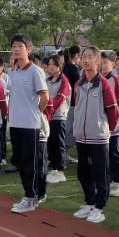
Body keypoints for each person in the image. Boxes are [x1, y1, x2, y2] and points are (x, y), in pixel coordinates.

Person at [72, 46, 119, 223]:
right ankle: (89, 202)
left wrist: (109, 131)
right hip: (81, 137)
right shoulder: (78, 84)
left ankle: (99, 207)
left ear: (98, 62)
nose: (86, 60)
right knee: (83, 172)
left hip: (98, 137)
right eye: (83, 57)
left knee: (101, 173)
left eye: (90, 57)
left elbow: (113, 111)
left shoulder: (104, 84)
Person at [7, 34, 49, 213]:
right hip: (15, 123)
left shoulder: (35, 71)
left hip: (30, 125)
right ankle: (30, 194)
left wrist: (35, 113)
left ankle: (31, 197)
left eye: (20, 46)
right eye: (14, 46)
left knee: (30, 163)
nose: (16, 49)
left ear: (29, 50)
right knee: (21, 162)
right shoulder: (13, 73)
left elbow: (45, 96)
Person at [101, 51, 119, 197]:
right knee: (103, 155)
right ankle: (107, 180)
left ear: (113, 64)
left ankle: (117, 183)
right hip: (102, 125)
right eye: (101, 62)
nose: (103, 65)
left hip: (116, 124)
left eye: (106, 62)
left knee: (114, 153)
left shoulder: (116, 81)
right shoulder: (96, 80)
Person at [45, 53, 71, 183]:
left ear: (59, 66)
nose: (50, 67)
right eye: (49, 65)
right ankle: (53, 167)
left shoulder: (64, 81)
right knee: (51, 143)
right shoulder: (47, 80)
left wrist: (49, 111)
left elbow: (60, 98)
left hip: (59, 116)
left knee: (59, 143)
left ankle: (60, 169)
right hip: (48, 116)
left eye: (52, 65)